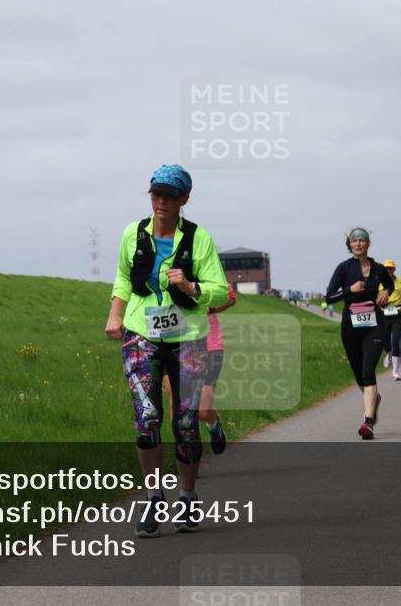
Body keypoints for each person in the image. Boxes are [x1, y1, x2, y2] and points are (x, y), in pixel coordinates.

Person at [105, 164, 229, 537]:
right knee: (147, 418)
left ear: (184, 200)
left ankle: (187, 497)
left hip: (188, 337)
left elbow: (221, 292)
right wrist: (115, 314)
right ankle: (153, 495)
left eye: (170, 195)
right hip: (141, 333)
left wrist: (192, 288)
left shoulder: (198, 238)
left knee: (187, 423)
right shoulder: (132, 233)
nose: (161, 201)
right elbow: (124, 277)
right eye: (156, 193)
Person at [325, 227, 393, 440]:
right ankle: (374, 400)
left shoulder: (379, 269)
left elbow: (390, 285)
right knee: (359, 376)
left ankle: (368, 422)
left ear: (367, 243)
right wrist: (349, 290)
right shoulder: (343, 269)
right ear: (349, 245)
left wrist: (385, 292)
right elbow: (329, 297)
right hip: (351, 326)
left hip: (374, 324)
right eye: (354, 241)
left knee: (367, 370)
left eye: (361, 240)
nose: (358, 243)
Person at [202, 283, 236, 454]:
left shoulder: (209, 270)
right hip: (179, 346)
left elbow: (231, 298)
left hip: (211, 346)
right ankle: (188, 459)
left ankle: (214, 425)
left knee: (203, 410)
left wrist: (212, 309)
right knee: (181, 407)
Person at [378, 260, 401, 381]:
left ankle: (395, 372)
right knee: (385, 342)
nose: (388, 270)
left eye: (391, 268)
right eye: (386, 268)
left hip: (397, 314)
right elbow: (375, 297)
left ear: (394, 269)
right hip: (384, 314)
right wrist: (380, 301)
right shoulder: (379, 282)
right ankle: (389, 354)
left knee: (395, 342)